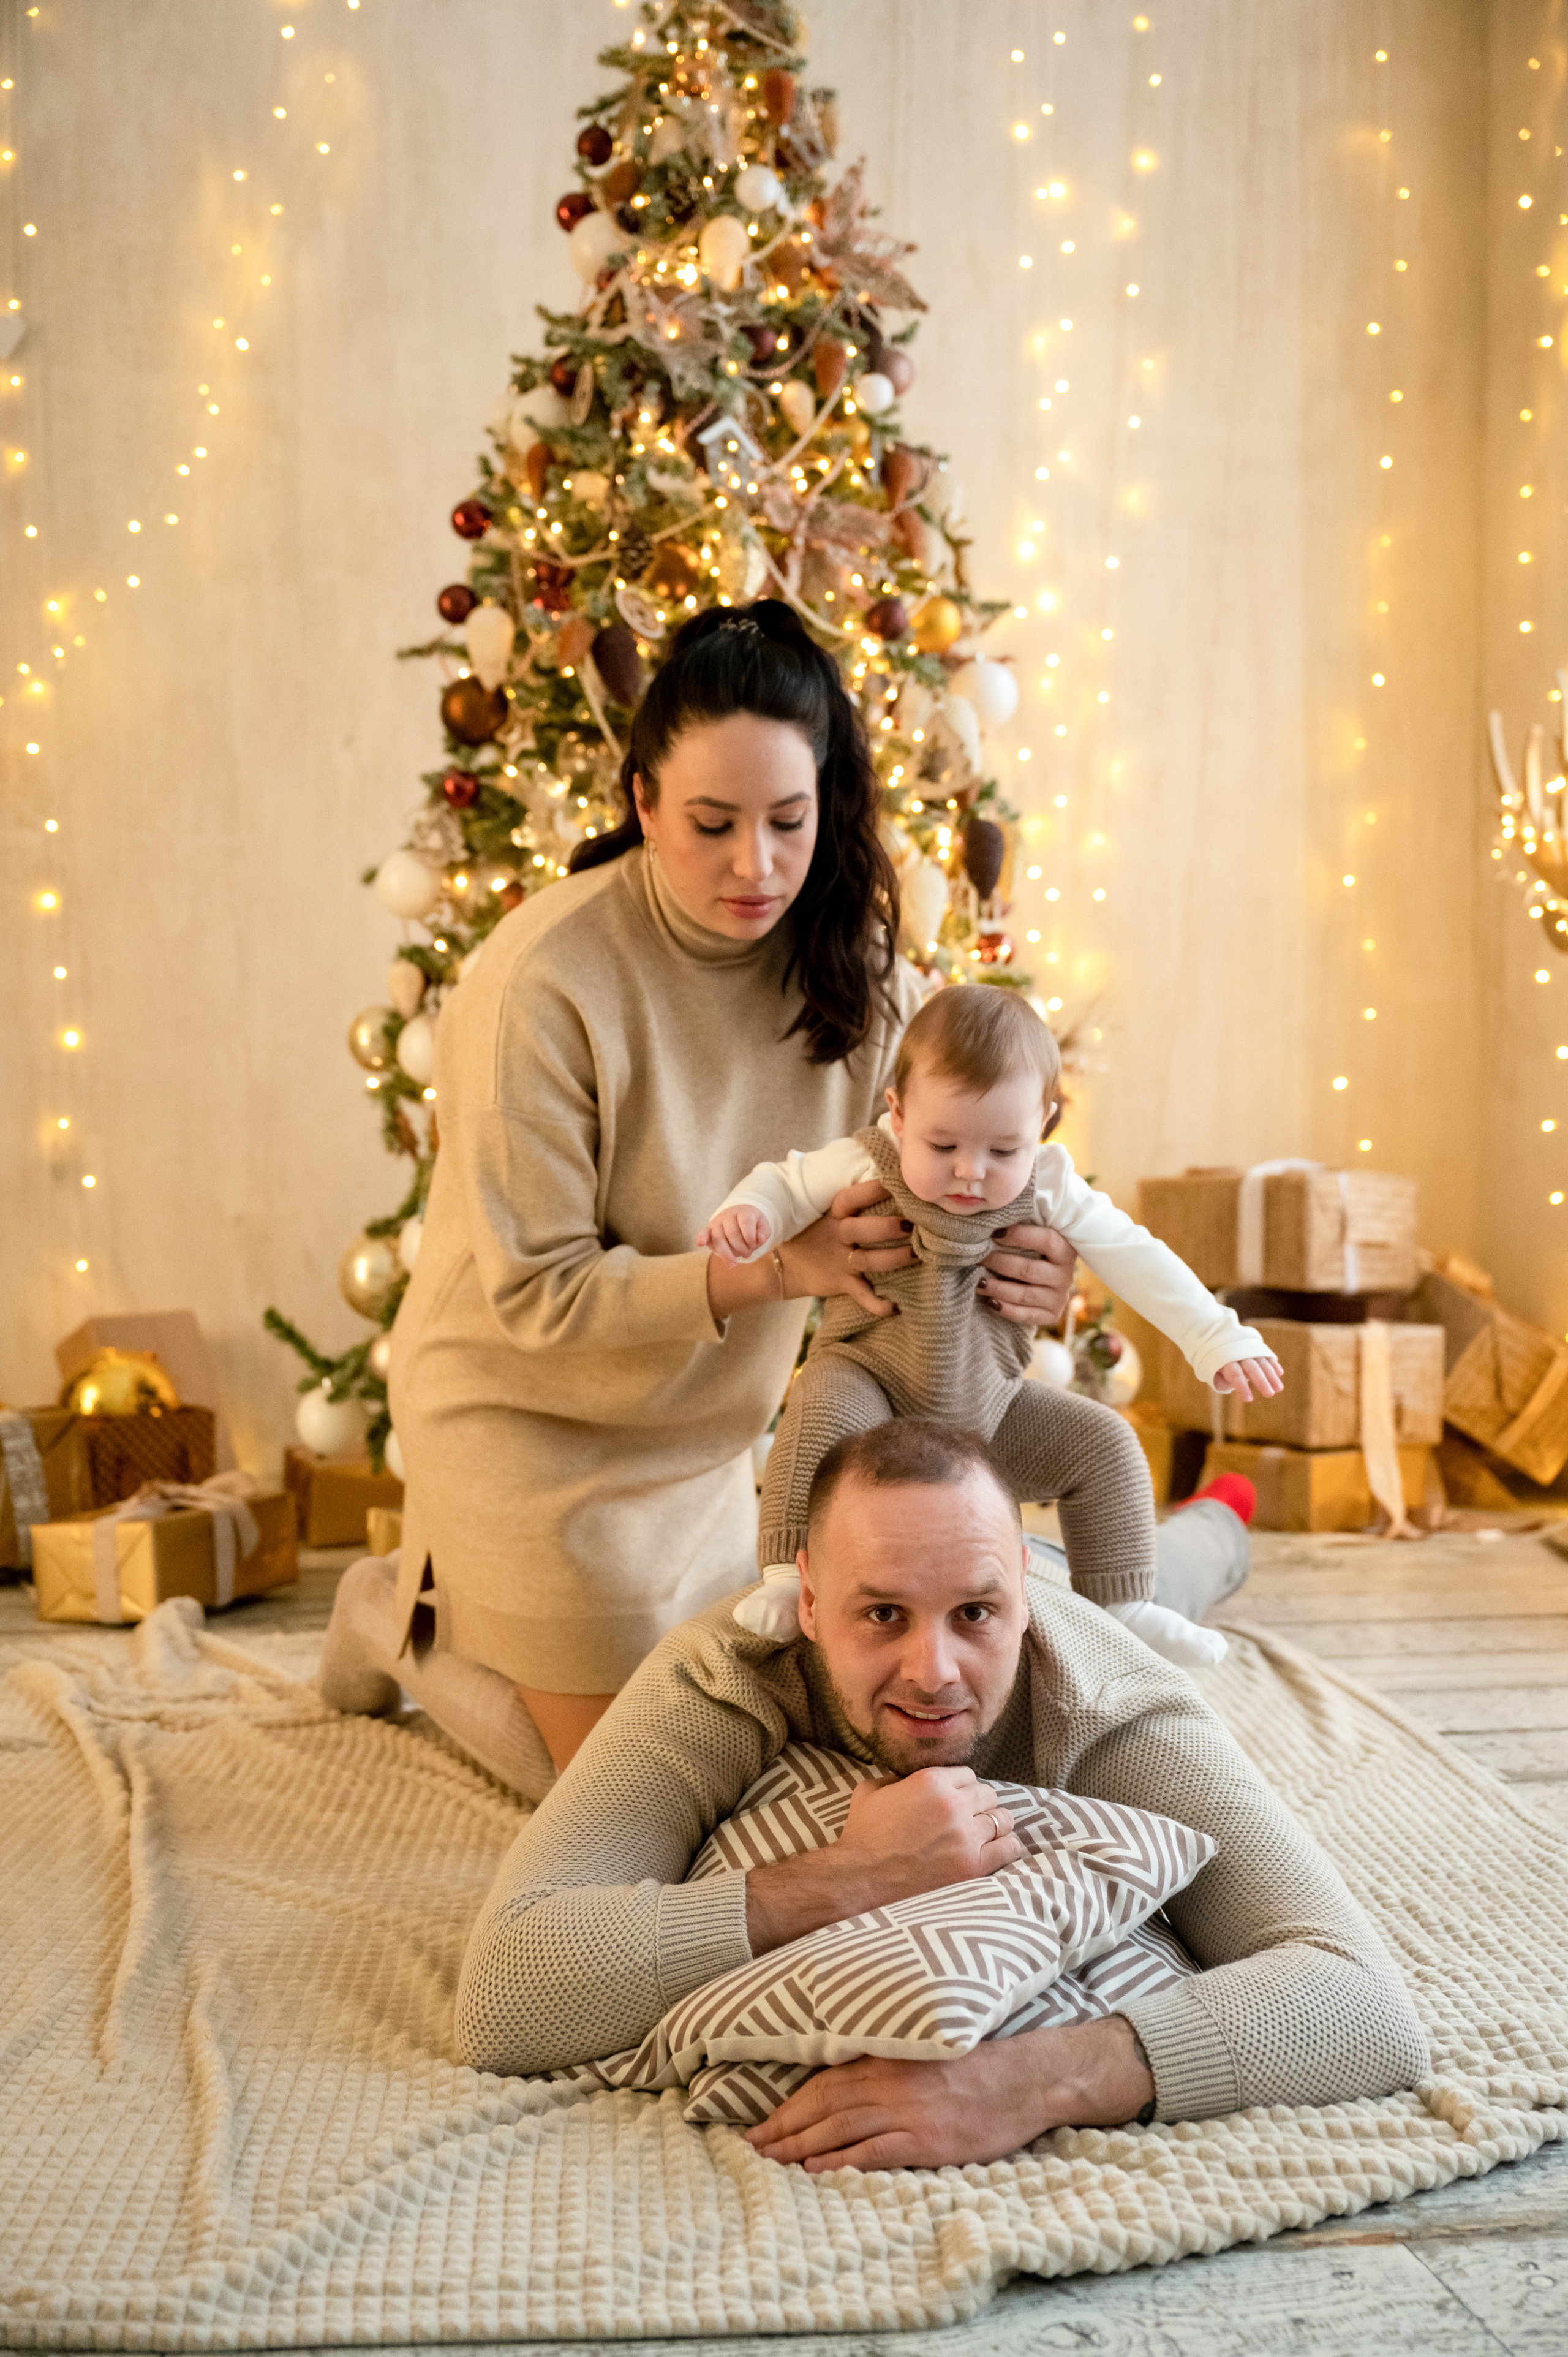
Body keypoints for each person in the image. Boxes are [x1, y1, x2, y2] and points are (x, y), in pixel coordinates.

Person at [318, 602, 1077, 1792]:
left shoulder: (866, 981)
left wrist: (1034, 1270)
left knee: (776, 1730)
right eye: (711, 824)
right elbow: (538, 1299)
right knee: (618, 1790)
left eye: (788, 821)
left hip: (710, 1450)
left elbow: (962, 1180)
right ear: (640, 805)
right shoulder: (541, 978)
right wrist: (784, 1267)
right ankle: (394, 1618)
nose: (756, 866)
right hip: (524, 1411)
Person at [453, 1420, 1428, 2171]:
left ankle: (1222, 1511)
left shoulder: (1112, 1694)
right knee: (538, 1750)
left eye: (976, 1614)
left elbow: (1363, 2000)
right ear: (808, 1605)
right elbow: (505, 1992)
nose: (936, 1670)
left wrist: (1025, 2082)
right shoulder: (721, 1674)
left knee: (1174, 1574)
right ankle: (394, 1616)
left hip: (1082, 1582)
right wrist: (850, 1874)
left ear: (1019, 1598)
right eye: (882, 1613)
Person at [701, 983, 1283, 1670]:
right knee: (817, 1405)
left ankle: (1123, 1603)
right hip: (872, 1389)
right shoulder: (868, 1158)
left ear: (1043, 1123)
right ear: (897, 1111)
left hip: (989, 1412)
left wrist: (1215, 1335)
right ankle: (784, 1578)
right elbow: (787, 1182)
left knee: (1106, 1443)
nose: (970, 1172)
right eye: (942, 1143)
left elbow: (1135, 1255)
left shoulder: (1049, 1181)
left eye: (1003, 1150)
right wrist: (753, 1213)